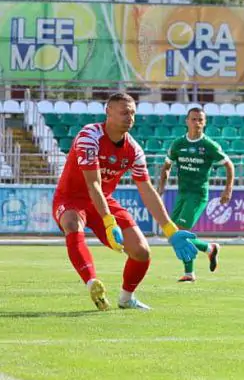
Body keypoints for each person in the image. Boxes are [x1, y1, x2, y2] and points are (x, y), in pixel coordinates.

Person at [53, 92, 199, 311]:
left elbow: (147, 189)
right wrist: (109, 222)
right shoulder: (89, 136)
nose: (129, 117)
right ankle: (93, 283)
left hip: (104, 200)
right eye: (123, 112)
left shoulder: (134, 150)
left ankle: (126, 298)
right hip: (72, 198)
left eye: (132, 113)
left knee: (142, 252)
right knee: (72, 224)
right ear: (108, 112)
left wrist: (171, 230)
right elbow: (92, 184)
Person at [157, 107, 233, 282]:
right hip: (182, 193)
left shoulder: (209, 145)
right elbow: (167, 166)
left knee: (181, 232)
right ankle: (208, 248)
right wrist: (162, 185)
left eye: (200, 120)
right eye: (193, 119)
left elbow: (229, 165)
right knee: (172, 234)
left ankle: (190, 273)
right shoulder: (178, 144)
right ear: (187, 121)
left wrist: (228, 189)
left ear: (204, 123)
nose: (197, 122)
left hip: (198, 194)